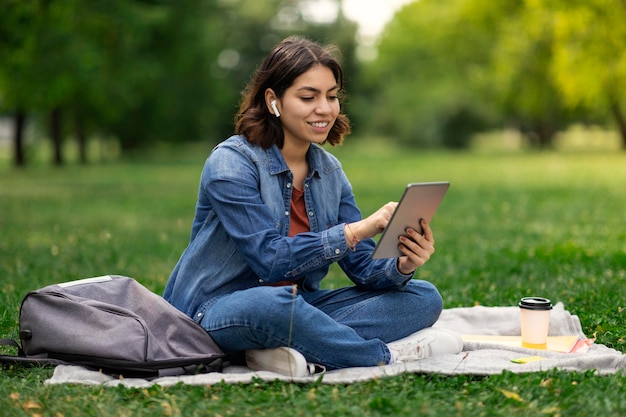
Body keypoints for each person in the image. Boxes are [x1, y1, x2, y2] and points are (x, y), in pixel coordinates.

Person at [163, 36, 462, 376]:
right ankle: (385, 356)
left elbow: (362, 267)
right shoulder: (231, 163)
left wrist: (404, 264)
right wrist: (354, 231)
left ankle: (284, 347)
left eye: (332, 96)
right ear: (273, 100)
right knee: (274, 307)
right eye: (308, 97)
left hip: (298, 305)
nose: (325, 108)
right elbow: (269, 259)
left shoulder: (330, 171)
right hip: (214, 310)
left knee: (423, 297)